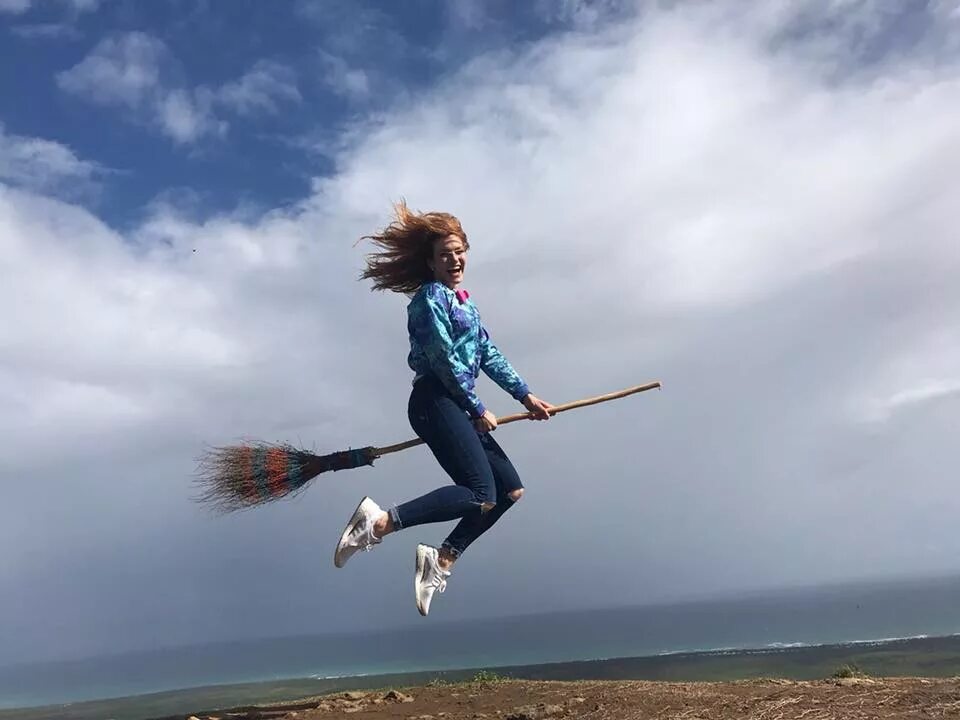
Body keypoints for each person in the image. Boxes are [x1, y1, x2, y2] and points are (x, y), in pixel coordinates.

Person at [334, 201, 554, 616]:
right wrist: (477, 407)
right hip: (434, 400)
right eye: (444, 255)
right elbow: (442, 359)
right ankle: (377, 522)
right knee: (480, 494)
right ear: (431, 263)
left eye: (459, 252)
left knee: (508, 491)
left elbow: (488, 354)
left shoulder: (466, 304)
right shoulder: (428, 299)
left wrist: (525, 396)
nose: (454, 260)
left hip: (456, 403)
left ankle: (442, 559)